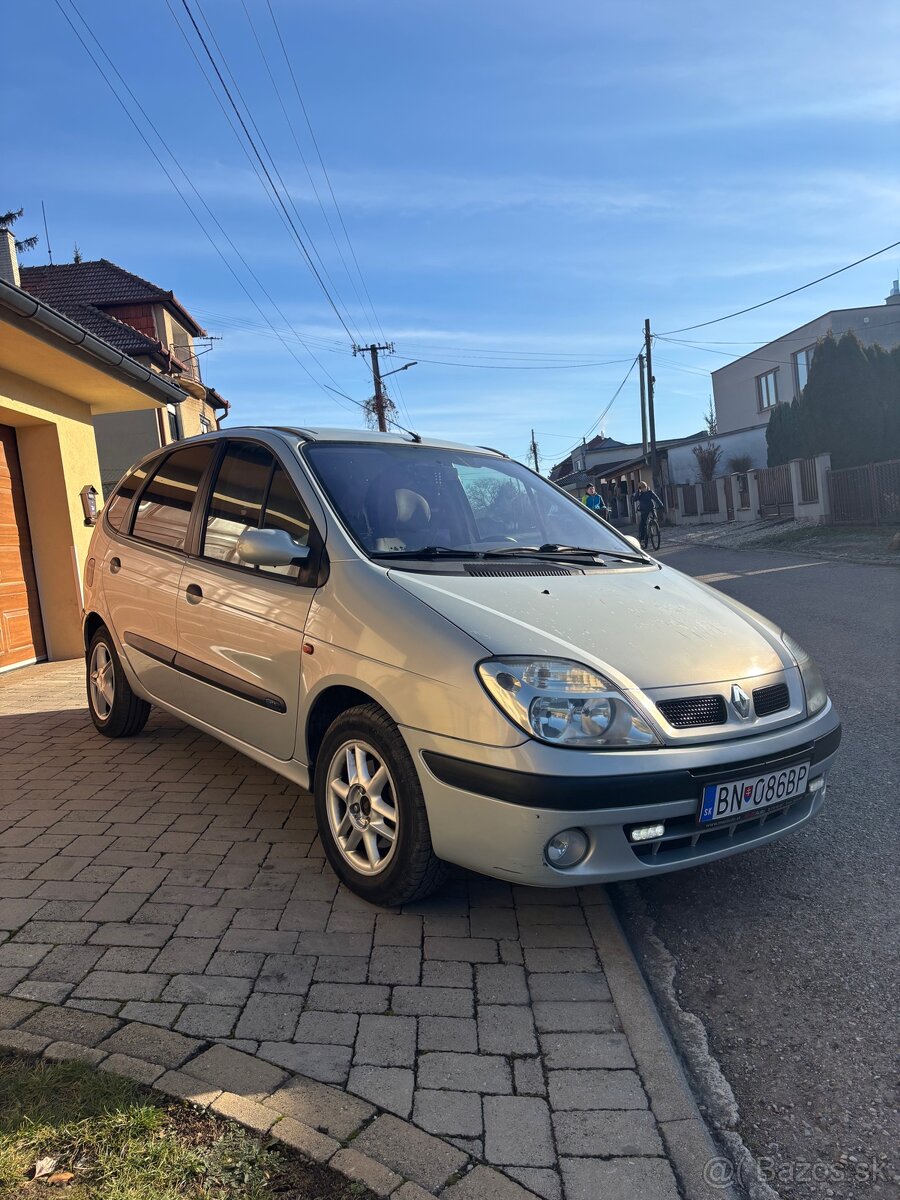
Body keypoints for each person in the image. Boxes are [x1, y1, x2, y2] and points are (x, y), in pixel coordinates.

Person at [635, 480, 664, 545]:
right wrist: (638, 493)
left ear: (646, 486)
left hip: (651, 508)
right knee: (643, 524)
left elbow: (656, 498)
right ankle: (642, 537)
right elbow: (634, 499)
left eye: (644, 487)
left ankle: (653, 526)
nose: (643, 489)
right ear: (640, 488)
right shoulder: (640, 494)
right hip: (643, 510)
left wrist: (661, 505)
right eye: (642, 488)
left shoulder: (650, 492)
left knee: (654, 518)